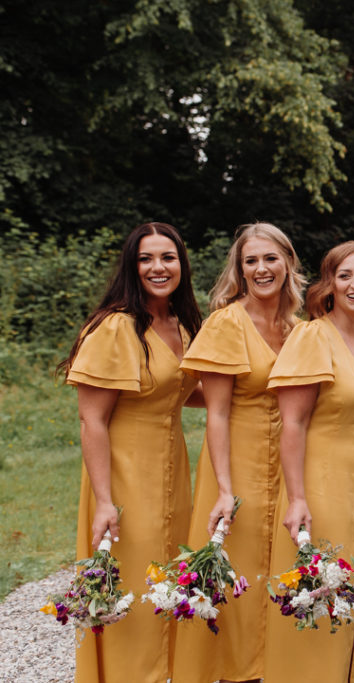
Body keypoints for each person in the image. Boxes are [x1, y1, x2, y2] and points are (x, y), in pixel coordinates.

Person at [57, 222, 203, 683]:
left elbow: (183, 390)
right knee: (131, 585)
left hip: (173, 470)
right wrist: (104, 500)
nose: (158, 267)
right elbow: (92, 419)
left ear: (182, 264)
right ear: (131, 266)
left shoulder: (179, 324)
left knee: (169, 580)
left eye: (168, 257)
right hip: (124, 476)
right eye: (146, 259)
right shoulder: (116, 326)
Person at [172, 222, 305, 683]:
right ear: (240, 269)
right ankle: (233, 672)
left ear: (288, 262)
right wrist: (225, 487)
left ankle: (278, 666)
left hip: (289, 462)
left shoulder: (300, 328)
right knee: (239, 567)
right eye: (251, 261)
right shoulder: (226, 323)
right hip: (236, 461)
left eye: (270, 258)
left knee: (284, 561)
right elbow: (216, 412)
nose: (262, 268)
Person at [263, 242, 354, 683]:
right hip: (322, 487)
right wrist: (297, 497)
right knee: (322, 595)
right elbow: (293, 423)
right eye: (345, 276)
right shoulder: (311, 335)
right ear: (329, 284)